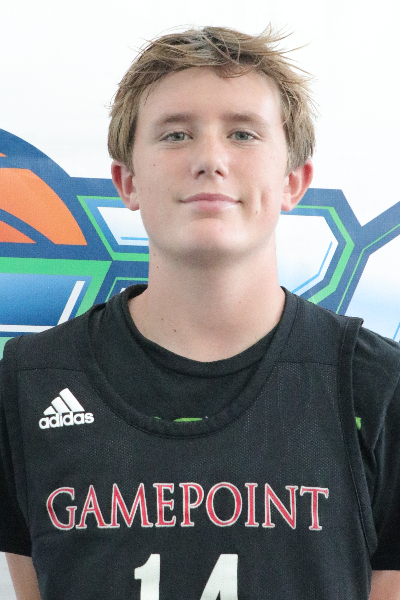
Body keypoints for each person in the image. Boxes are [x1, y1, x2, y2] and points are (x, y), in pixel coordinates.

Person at [1, 25, 400, 600]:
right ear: (127, 181)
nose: (210, 159)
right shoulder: (29, 383)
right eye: (176, 134)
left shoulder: (378, 387)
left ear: (293, 181)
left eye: (242, 133)